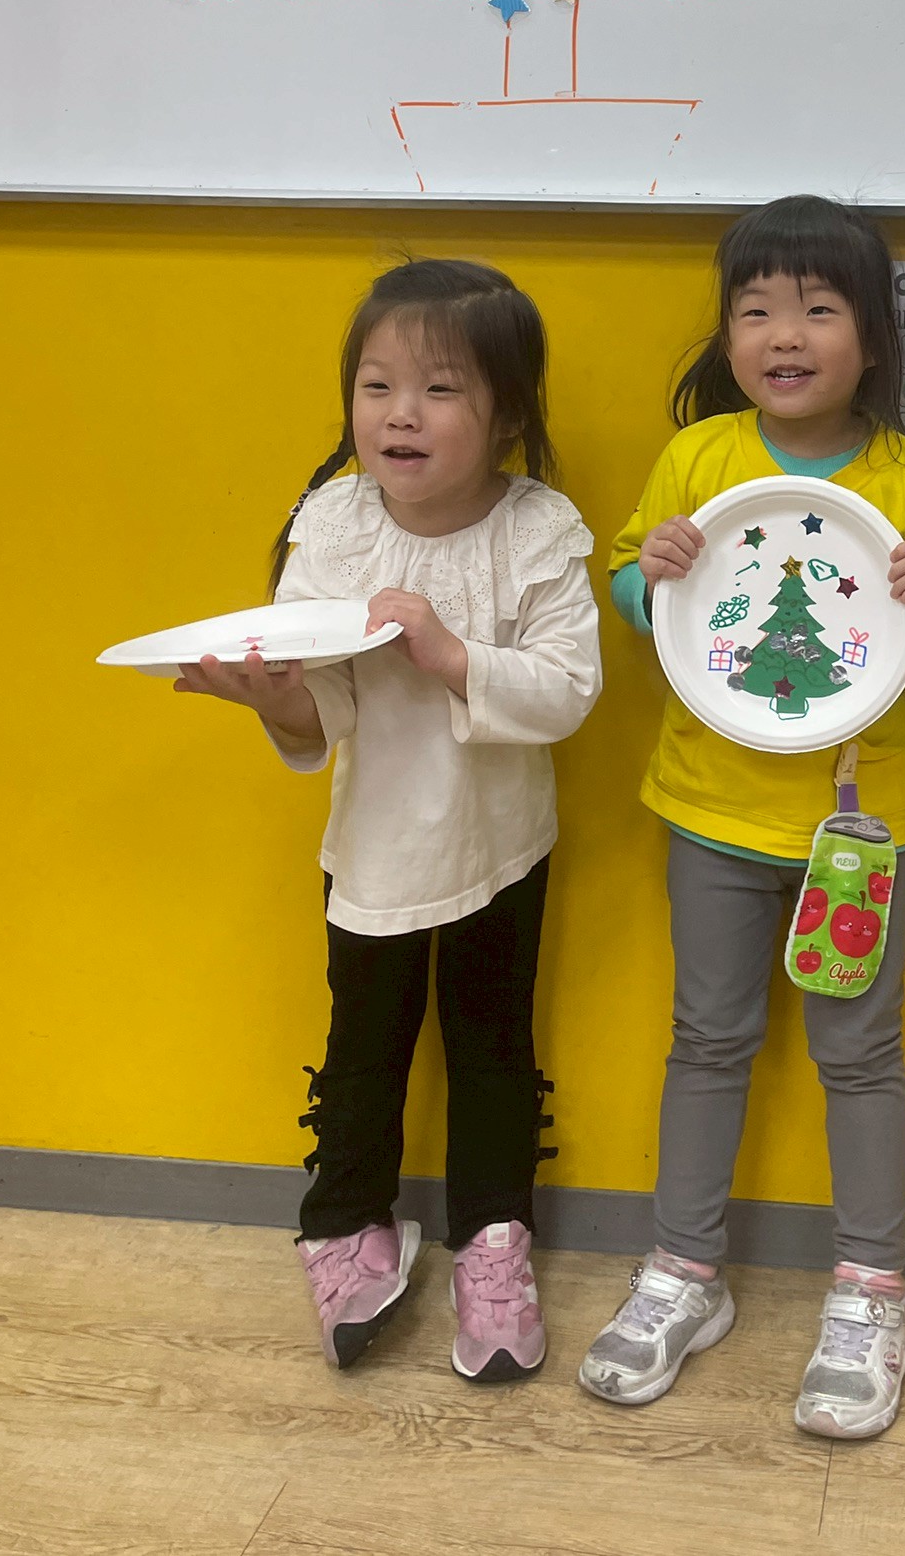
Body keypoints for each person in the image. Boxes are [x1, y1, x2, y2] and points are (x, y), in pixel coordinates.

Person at [578, 196, 905, 1439]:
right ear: (728, 335)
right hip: (709, 811)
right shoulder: (699, 460)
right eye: (753, 311)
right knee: (706, 1041)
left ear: (872, 337)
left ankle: (871, 1292)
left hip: (857, 833)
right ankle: (683, 1272)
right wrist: (650, 576)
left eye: (816, 308)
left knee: (860, 1057)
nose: (783, 333)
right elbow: (629, 588)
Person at [174, 259, 600, 1383]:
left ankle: (494, 1238)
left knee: (494, 1050)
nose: (400, 414)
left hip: (501, 847)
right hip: (372, 848)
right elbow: (322, 713)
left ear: (508, 416)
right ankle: (347, 1223)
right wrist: (272, 700)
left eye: (440, 389)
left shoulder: (539, 528)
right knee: (360, 1051)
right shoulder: (333, 523)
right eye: (377, 387)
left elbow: (567, 693)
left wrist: (450, 652)